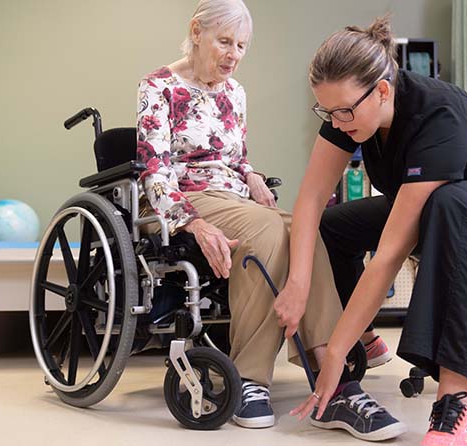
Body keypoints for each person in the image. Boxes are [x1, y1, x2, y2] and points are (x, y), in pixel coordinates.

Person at [286, 15, 467, 446]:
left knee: (450, 202)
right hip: (448, 205)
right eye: (327, 111)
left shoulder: (438, 115)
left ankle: (458, 402)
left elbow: (390, 255)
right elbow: (309, 200)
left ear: (381, 90)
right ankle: (367, 339)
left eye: (343, 111)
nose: (336, 121)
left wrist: (334, 352)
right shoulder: (352, 111)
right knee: (333, 226)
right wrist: (298, 283)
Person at [136, 0, 371, 432]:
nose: (233, 54)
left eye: (241, 46)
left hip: (234, 197)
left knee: (303, 229)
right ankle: (249, 380)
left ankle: (329, 369)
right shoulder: (158, 87)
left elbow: (236, 158)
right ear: (196, 31)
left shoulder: (235, 93)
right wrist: (192, 222)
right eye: (224, 42)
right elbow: (154, 169)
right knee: (266, 229)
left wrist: (253, 175)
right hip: (183, 198)